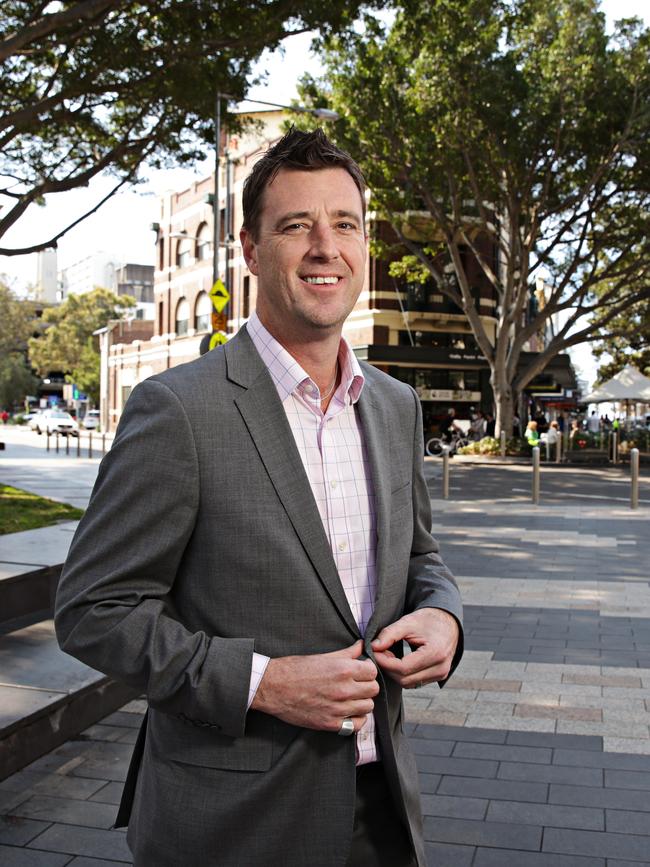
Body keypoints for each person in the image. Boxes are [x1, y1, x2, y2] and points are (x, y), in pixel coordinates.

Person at [54, 129, 463, 867]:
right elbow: (92, 607)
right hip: (228, 826)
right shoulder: (177, 410)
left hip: (383, 815)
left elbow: (421, 556)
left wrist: (443, 614)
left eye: (344, 223)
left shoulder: (396, 406)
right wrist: (262, 682)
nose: (324, 246)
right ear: (249, 249)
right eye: (295, 225)